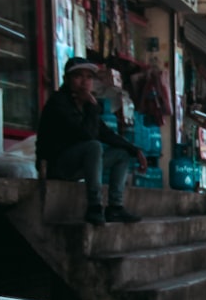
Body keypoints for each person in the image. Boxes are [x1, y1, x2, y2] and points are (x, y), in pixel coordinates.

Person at [36, 57, 147, 225]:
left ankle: (115, 207)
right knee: (93, 146)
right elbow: (87, 135)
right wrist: (94, 108)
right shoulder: (59, 103)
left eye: (88, 77)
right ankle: (94, 206)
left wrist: (134, 150)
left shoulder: (86, 104)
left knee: (122, 155)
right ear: (67, 80)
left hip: (78, 163)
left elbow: (105, 133)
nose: (84, 82)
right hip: (57, 165)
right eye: (78, 76)